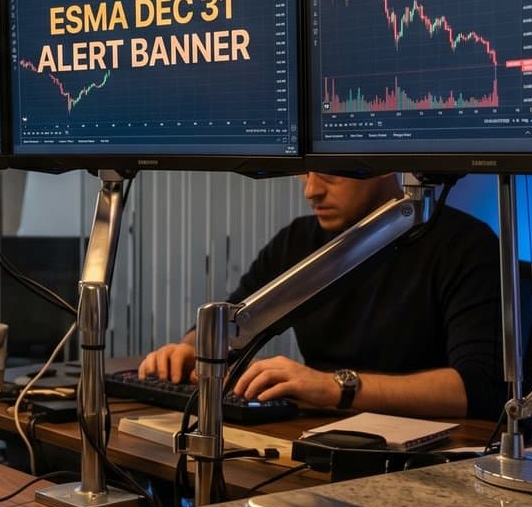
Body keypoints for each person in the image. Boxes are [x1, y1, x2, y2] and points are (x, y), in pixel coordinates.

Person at [138, 172, 505, 419]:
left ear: (382, 166)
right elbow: (237, 321)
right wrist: (193, 348)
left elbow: (476, 389)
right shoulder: (297, 242)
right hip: (323, 436)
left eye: (328, 173)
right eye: (306, 172)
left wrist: (334, 387)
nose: (311, 190)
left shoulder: (466, 246)